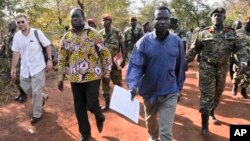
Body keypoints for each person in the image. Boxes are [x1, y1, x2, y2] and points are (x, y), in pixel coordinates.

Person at [126, 6, 186, 141]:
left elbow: (180, 67)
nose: (163, 21)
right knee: (151, 124)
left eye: (166, 18)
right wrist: (132, 86)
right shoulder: (143, 42)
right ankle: (153, 136)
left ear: (170, 20)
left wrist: (179, 89)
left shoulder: (177, 42)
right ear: (153, 20)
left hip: (169, 91)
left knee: (166, 132)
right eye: (159, 18)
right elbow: (136, 66)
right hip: (150, 92)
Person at [186, 8, 248, 136]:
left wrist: (243, 61)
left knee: (217, 94)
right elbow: (193, 50)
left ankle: (212, 112)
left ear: (224, 18)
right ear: (211, 18)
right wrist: (183, 62)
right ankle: (204, 125)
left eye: (220, 15)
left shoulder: (231, 34)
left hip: (222, 68)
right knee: (206, 95)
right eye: (214, 15)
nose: (217, 17)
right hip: (207, 67)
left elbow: (240, 49)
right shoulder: (203, 33)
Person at [57, 8, 112, 141]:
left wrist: (106, 74)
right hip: (75, 78)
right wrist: (60, 77)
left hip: (93, 75)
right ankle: (85, 133)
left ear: (83, 17)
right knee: (79, 107)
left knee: (91, 103)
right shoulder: (66, 37)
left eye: (77, 16)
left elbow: (105, 54)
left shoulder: (94, 34)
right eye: (72, 17)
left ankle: (99, 116)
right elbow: (62, 58)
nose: (74, 19)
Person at [11, 13, 53, 124]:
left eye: (22, 21)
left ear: (27, 21)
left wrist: (49, 60)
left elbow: (47, 45)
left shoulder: (37, 33)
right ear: (17, 24)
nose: (21, 24)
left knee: (36, 91)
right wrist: (13, 68)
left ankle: (37, 114)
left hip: (38, 67)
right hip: (25, 68)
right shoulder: (17, 36)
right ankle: (42, 97)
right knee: (25, 86)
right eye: (18, 22)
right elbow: (16, 52)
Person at [99, 14, 126, 112]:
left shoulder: (117, 32)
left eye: (105, 20)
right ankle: (107, 104)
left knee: (118, 83)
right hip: (104, 64)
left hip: (115, 62)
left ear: (110, 22)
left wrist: (123, 59)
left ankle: (121, 104)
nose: (103, 22)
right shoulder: (99, 34)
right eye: (102, 20)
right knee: (105, 84)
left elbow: (122, 46)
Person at [0, 21, 27, 103]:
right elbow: (3, 47)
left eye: (11, 25)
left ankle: (24, 94)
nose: (10, 26)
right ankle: (21, 93)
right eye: (9, 25)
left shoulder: (20, 35)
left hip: (19, 59)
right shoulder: (6, 37)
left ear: (15, 26)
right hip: (10, 60)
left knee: (18, 78)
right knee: (14, 78)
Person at [231, 17, 250, 98]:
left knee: (248, 77)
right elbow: (231, 44)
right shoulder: (238, 32)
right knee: (239, 74)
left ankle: (243, 90)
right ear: (245, 23)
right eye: (248, 23)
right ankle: (235, 86)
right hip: (239, 58)